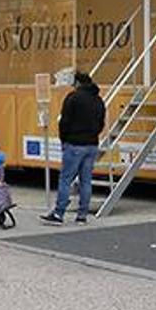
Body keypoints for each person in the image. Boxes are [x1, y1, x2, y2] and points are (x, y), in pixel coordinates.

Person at [40, 71, 106, 225]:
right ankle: (82, 216)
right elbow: (101, 123)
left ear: (77, 83)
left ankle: (58, 213)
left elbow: (64, 122)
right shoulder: (98, 100)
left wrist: (64, 140)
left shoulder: (73, 98)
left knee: (65, 180)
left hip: (74, 144)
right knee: (86, 181)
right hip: (92, 144)